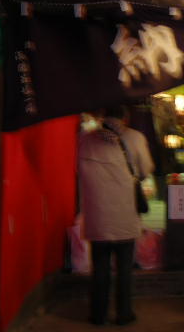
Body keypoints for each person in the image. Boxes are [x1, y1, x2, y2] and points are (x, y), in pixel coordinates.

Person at [78, 105, 155, 326]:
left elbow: (77, 170)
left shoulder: (85, 140)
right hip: (124, 214)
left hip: (97, 216)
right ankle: (124, 313)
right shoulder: (135, 138)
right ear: (125, 117)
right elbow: (146, 169)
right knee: (124, 270)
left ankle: (98, 315)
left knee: (100, 269)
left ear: (103, 116)